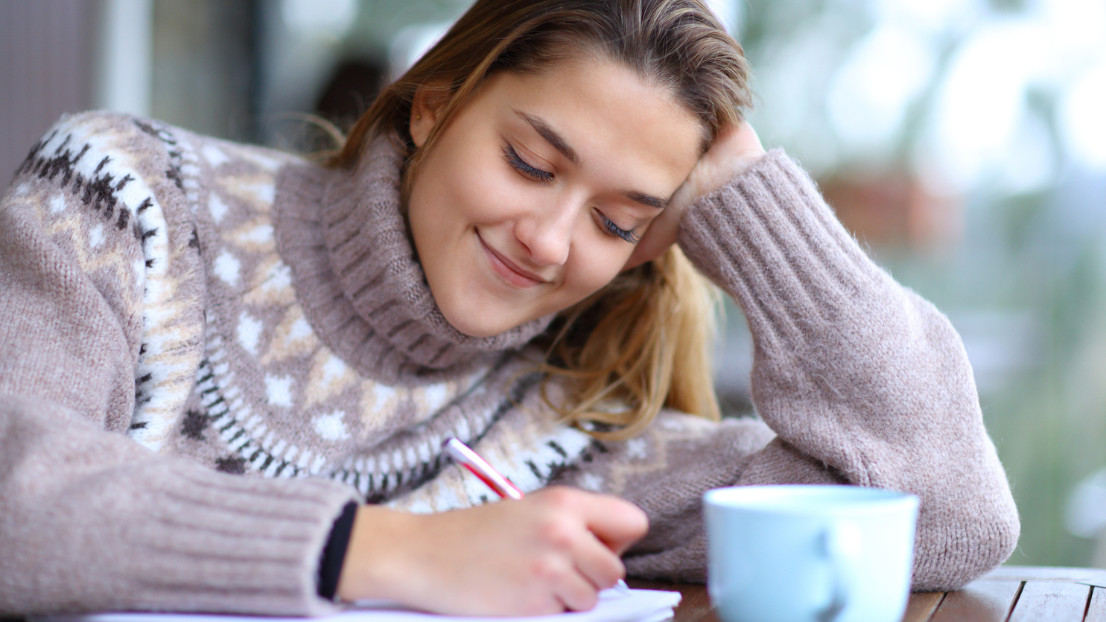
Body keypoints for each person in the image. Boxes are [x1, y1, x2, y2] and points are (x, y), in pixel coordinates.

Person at [0, 0, 1019, 617]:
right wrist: (388, 550)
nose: (548, 239)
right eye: (530, 162)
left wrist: (747, 200)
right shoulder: (126, 198)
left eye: (618, 220)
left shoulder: (574, 432)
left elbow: (949, 513)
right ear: (433, 100)